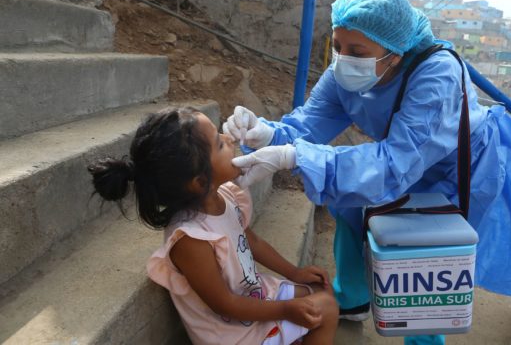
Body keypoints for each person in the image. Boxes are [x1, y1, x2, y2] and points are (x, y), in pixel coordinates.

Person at [224, 0, 511, 345]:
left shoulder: (436, 75)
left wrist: (296, 156)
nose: (343, 58)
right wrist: (266, 133)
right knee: (347, 203)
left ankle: (423, 337)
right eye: (337, 46)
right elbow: (308, 125)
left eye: (356, 50)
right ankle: (353, 296)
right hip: (398, 155)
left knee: (425, 255)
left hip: (452, 167)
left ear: (394, 51)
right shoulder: (347, 71)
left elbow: (394, 166)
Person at [87, 107, 338, 345]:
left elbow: (253, 242)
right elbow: (224, 303)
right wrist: (285, 309)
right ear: (199, 182)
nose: (228, 138)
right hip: (232, 333)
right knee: (325, 308)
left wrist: (294, 273)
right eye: (219, 144)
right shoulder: (191, 239)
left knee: (318, 290)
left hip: (254, 297)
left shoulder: (225, 197)